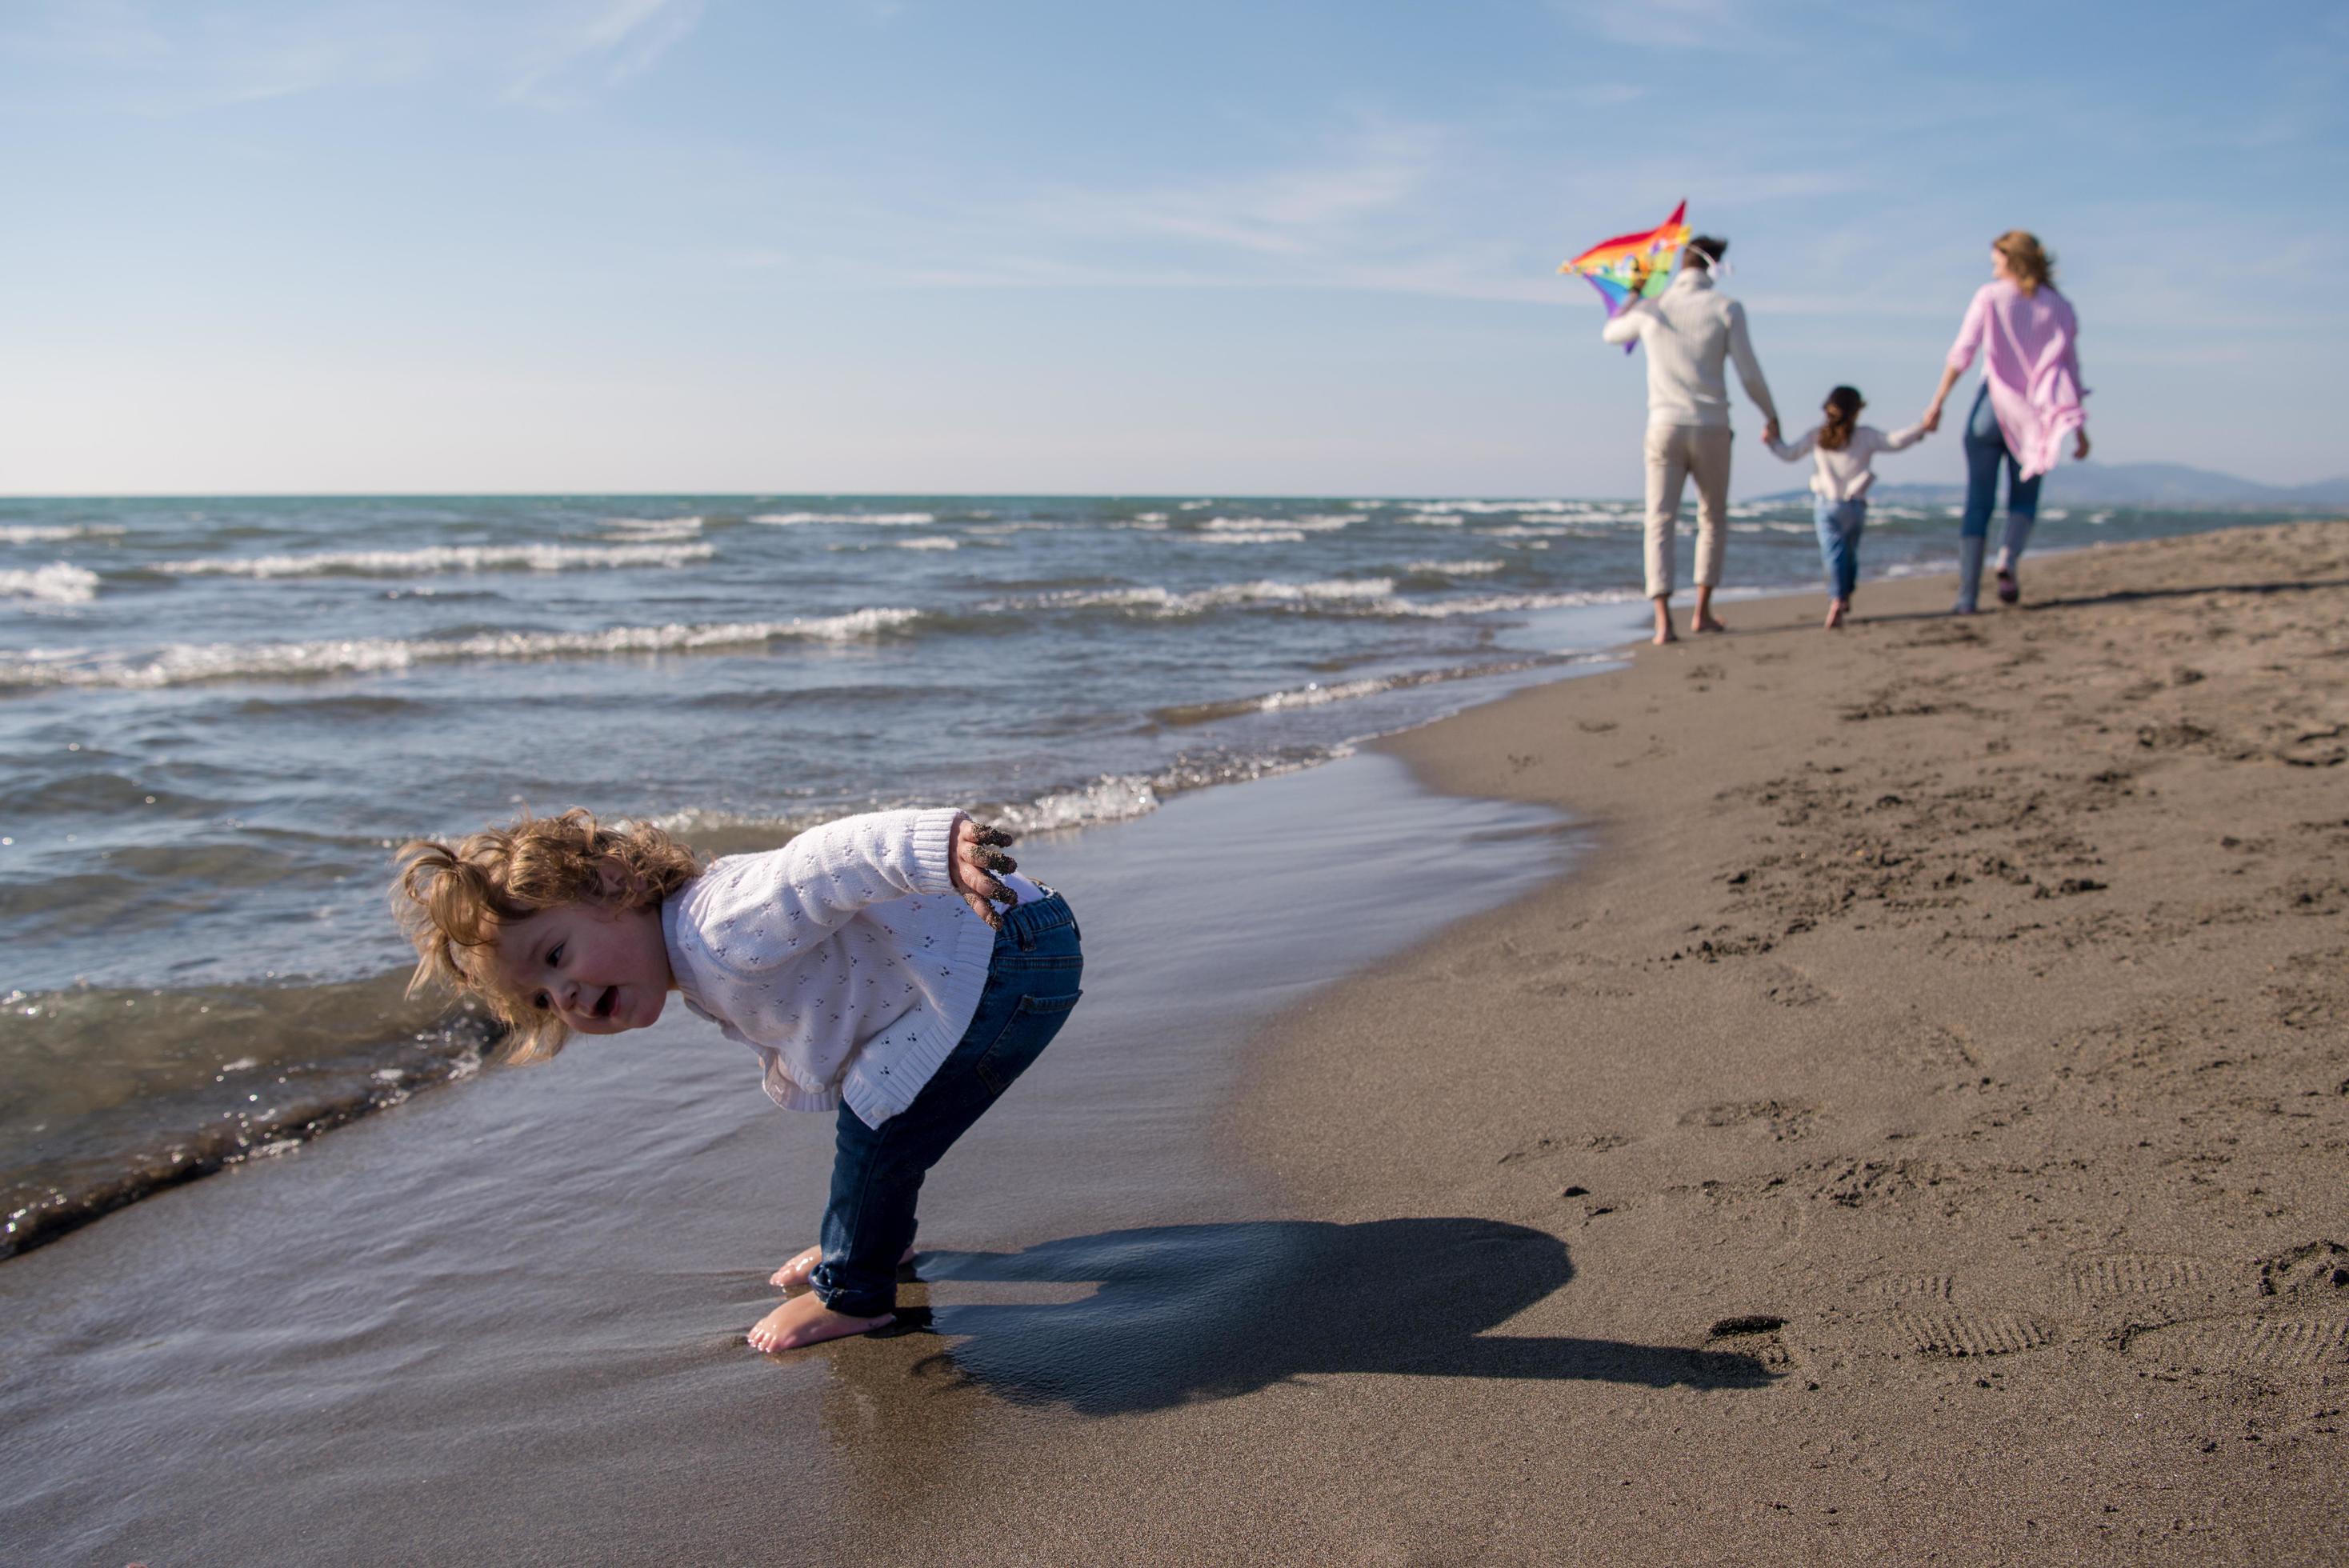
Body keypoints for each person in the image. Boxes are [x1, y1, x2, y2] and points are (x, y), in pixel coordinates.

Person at [393, 805, 1081, 1354]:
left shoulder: (716, 926)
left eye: (555, 953)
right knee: (876, 1122)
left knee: (879, 1130)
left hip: (1006, 957)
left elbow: (824, 861)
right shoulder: (694, 951)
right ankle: (870, 1238)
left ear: (615, 884)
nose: (565, 995)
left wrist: (945, 847)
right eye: (542, 998)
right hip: (1004, 945)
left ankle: (857, 1292)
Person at [1603, 234, 1783, 645]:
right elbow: (1749, 373)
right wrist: (1770, 414)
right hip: (1712, 424)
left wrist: (1634, 291)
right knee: (1711, 518)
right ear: (1714, 266)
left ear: (1679, 264)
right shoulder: (1725, 307)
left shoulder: (1653, 307)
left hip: (1663, 424)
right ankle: (1701, 612)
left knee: (1659, 519)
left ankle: (1663, 622)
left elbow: (1611, 332)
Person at [1921, 230, 2089, 613]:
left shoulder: (1990, 296)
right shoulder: (2060, 307)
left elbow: (1963, 352)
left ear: (2012, 260)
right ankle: (2008, 560)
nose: (1993, 268)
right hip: (2037, 416)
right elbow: (2070, 370)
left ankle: (1966, 597)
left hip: (1990, 408)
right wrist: (2078, 427)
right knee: (2023, 499)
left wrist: (1937, 403)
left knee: (1977, 503)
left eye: (1997, 261)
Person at [1766, 385, 1928, 630]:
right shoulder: (1865, 436)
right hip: (1855, 506)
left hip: (1827, 505)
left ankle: (1838, 598)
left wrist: (1772, 441)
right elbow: (1895, 441)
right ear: (1856, 411)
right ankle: (1844, 594)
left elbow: (1788, 454)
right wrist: (1921, 428)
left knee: (1834, 554)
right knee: (1848, 554)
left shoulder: (1816, 436)